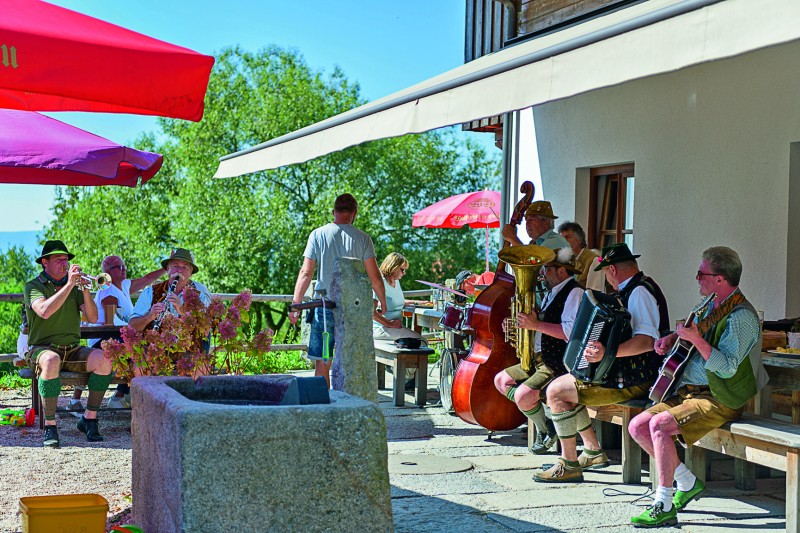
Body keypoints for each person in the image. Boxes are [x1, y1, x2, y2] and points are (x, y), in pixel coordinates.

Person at [627, 246, 768, 528]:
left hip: (720, 397)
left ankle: (663, 502)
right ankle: (686, 481)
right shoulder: (708, 305)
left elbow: (726, 366)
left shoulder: (742, 317)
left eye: (701, 273)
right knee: (638, 426)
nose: (696, 278)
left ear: (720, 278)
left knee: (659, 426)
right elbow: (690, 339)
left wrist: (696, 340)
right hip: (690, 392)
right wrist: (671, 339)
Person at [534, 243, 670, 483]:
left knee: (556, 391)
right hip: (624, 373)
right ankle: (591, 451)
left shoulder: (639, 292)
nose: (607, 278)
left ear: (613, 271)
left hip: (637, 379)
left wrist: (607, 353)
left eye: (606, 272)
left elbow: (647, 342)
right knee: (568, 380)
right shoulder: (631, 289)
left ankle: (569, 463)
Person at [290, 193, 387, 388]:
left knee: (323, 359)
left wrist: (295, 305)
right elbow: (375, 277)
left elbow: (306, 272)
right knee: (351, 359)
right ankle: (348, 403)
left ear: (333, 212)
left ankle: (324, 404)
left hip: (324, 309)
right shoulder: (363, 239)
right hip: (352, 310)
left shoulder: (317, 235)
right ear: (354, 213)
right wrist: (383, 302)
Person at [23, 240, 114, 447]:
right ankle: (50, 425)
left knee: (104, 359)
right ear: (44, 262)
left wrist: (83, 290)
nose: (64, 263)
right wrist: (70, 284)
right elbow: (44, 311)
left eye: (65, 259)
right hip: (42, 349)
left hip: (72, 349)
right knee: (51, 360)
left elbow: (92, 317)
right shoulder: (33, 286)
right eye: (58, 259)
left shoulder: (73, 287)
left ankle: (89, 419)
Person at [494, 248, 584, 454]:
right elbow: (540, 325)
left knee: (523, 395)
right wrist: (519, 327)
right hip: (539, 359)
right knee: (501, 380)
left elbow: (569, 332)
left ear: (562, 271)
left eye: (547, 268)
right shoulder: (552, 292)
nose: (542, 273)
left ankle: (546, 429)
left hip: (557, 363)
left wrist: (535, 325)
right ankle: (547, 425)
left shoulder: (574, 292)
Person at [69, 255, 165, 411]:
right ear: (107, 272)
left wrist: (166, 268)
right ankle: (123, 395)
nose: (124, 269)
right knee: (136, 348)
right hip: (102, 339)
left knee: (142, 347)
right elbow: (110, 321)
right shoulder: (108, 292)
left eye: (124, 266)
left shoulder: (124, 285)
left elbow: (147, 279)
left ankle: (124, 394)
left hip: (119, 335)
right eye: (119, 267)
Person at [372, 252, 428, 390]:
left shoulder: (396, 282)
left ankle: (403, 374)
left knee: (418, 341)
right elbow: (370, 312)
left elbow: (398, 302)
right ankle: (406, 378)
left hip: (393, 328)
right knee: (421, 342)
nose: (404, 273)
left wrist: (418, 302)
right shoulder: (379, 282)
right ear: (392, 267)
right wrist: (389, 323)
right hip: (380, 328)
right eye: (402, 270)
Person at [128, 248, 212, 335]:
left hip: (190, 348)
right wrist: (149, 317)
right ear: (168, 268)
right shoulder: (150, 292)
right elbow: (131, 327)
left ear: (190, 273)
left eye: (184, 267)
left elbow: (206, 331)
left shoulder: (199, 295)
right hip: (156, 347)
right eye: (175, 266)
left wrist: (182, 311)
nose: (179, 271)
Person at [501, 201, 570, 250]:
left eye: (531, 219)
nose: (527, 223)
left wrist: (513, 239)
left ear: (546, 222)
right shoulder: (536, 243)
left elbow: (531, 263)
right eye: (526, 220)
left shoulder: (554, 241)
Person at [558, 221, 604, 292]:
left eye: (568, 237)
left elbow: (594, 294)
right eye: (561, 238)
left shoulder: (594, 260)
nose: (564, 241)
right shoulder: (563, 260)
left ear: (579, 240)